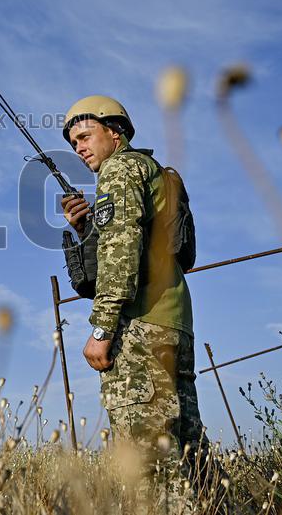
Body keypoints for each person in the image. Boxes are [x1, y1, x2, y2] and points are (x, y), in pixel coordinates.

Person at [59, 95, 204, 466]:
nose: (79, 148)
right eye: (74, 143)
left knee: (150, 468)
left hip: (141, 328)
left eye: (85, 136)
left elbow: (121, 253)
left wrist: (102, 330)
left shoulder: (119, 169)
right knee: (192, 461)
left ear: (115, 132)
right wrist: (86, 229)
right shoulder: (150, 169)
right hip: (174, 323)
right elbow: (139, 246)